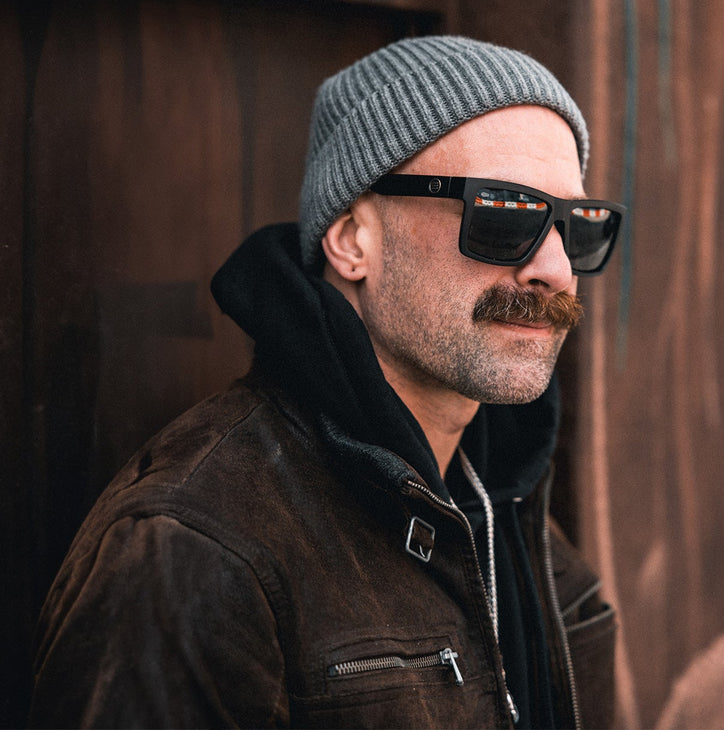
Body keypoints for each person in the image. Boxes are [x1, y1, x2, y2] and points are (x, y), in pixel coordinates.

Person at [29, 36, 619, 728]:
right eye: (503, 214)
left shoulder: (507, 512)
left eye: (576, 227)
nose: (554, 270)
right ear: (351, 239)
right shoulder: (196, 548)